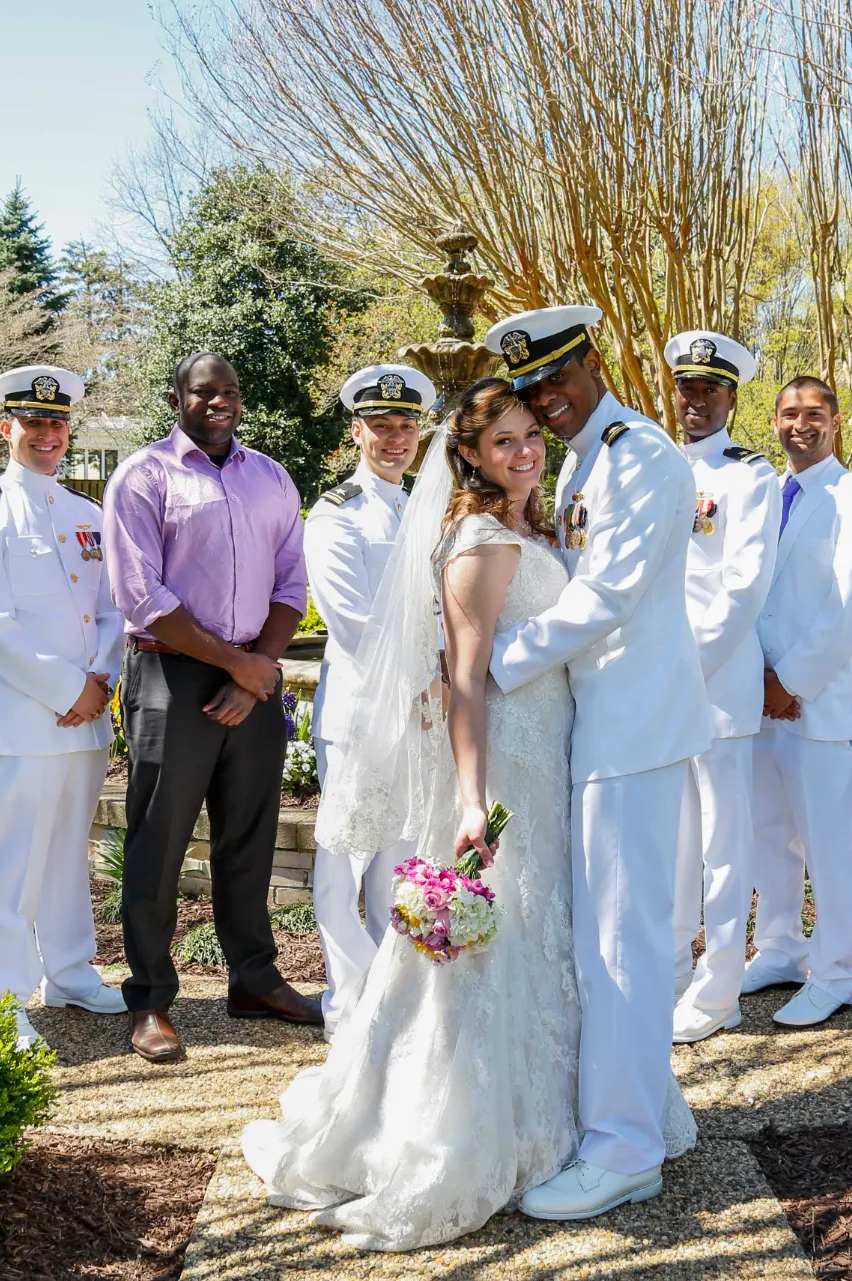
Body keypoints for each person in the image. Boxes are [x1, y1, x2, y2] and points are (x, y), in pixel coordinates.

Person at [242, 379, 694, 1250]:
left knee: (547, 938)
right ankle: (461, 1125)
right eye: (504, 443)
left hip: (562, 748)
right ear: (470, 457)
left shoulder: (539, 521)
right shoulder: (480, 541)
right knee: (493, 945)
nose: (525, 451)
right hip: (512, 764)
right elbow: (464, 675)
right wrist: (474, 793)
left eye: (532, 434)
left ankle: (567, 1119)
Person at [485, 305, 713, 1221]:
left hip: (635, 726)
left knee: (623, 939)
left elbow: (608, 593)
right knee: (601, 937)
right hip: (602, 723)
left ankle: (626, 1151)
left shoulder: (640, 452)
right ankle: (621, 1121)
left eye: (557, 380)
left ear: (591, 362)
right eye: (533, 392)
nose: (548, 403)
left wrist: (490, 665)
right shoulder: (589, 456)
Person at [102, 352, 318, 1064]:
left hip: (251, 675)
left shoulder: (272, 477)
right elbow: (142, 595)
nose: (219, 401)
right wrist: (240, 666)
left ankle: (254, 980)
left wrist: (255, 670)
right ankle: (152, 999)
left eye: (229, 390)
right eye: (204, 391)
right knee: (160, 840)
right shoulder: (144, 476)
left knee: (249, 836)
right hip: (172, 673)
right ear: (177, 398)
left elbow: (292, 580)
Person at [0, 365, 129, 1052]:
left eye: (57, 423)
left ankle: (70, 970)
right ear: (7, 428)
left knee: (64, 856)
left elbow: (113, 611)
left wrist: (100, 681)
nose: (47, 433)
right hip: (23, 721)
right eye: (34, 423)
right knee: (9, 858)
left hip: (82, 721)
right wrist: (68, 688)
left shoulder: (88, 516)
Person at [741, 377, 852, 1028]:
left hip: (813, 700)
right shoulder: (757, 496)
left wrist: (791, 680)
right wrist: (752, 676)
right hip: (752, 694)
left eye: (813, 414)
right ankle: (778, 945)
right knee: (767, 835)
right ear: (773, 420)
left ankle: (833, 970)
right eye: (788, 413)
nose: (799, 423)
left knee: (828, 840)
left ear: (835, 421)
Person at [304, 362, 435, 1038]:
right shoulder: (336, 513)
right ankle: (346, 999)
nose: (394, 438)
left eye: (405, 425)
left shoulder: (422, 507)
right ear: (356, 431)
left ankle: (393, 994)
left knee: (401, 859)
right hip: (362, 712)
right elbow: (353, 623)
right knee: (344, 858)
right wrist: (426, 677)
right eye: (381, 426)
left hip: (419, 714)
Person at [662, 329, 780, 1044]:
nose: (695, 400)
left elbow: (743, 588)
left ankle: (721, 988)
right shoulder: (660, 466)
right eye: (686, 387)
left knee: (725, 847)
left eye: (709, 388)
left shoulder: (749, 475)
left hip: (716, 684)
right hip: (662, 687)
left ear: (733, 397)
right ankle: (675, 968)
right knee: (675, 839)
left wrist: (685, 665)